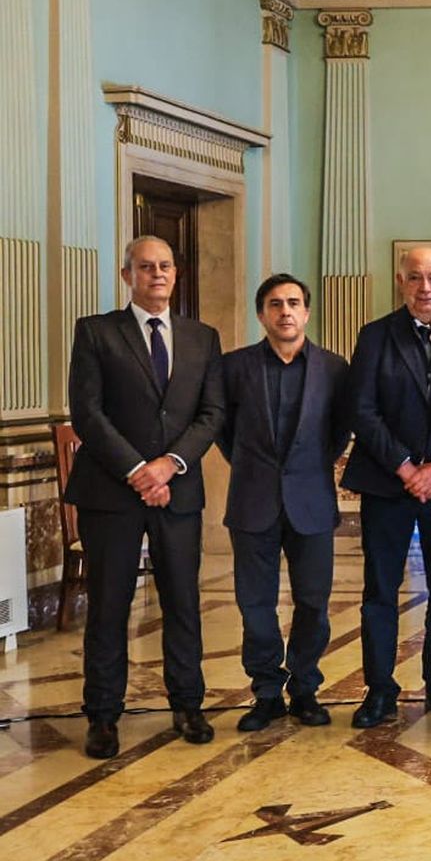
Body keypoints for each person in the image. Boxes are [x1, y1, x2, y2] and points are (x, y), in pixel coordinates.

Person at [66, 236, 225, 759]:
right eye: (145, 267)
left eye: (164, 267)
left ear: (176, 275)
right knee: (109, 604)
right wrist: (137, 470)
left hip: (178, 490)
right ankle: (103, 716)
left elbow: (211, 414)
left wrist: (168, 465)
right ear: (126, 274)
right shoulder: (96, 332)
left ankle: (188, 705)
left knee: (183, 601)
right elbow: (88, 413)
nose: (156, 274)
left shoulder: (203, 337)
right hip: (111, 492)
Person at [343, 246, 431, 727]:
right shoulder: (375, 337)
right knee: (380, 591)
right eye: (416, 278)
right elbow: (362, 410)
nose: (426, 287)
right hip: (387, 485)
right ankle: (379, 690)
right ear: (400, 282)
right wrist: (406, 468)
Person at [218, 274, 350, 731]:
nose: (285, 311)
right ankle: (267, 692)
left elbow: (338, 433)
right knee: (255, 603)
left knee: (313, 601)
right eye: (275, 304)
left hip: (311, 500)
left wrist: (306, 468)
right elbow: (224, 433)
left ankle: (306, 687)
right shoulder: (233, 368)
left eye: (294, 303)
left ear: (307, 312)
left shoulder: (334, 369)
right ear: (261, 314)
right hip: (253, 499)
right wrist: (258, 468)